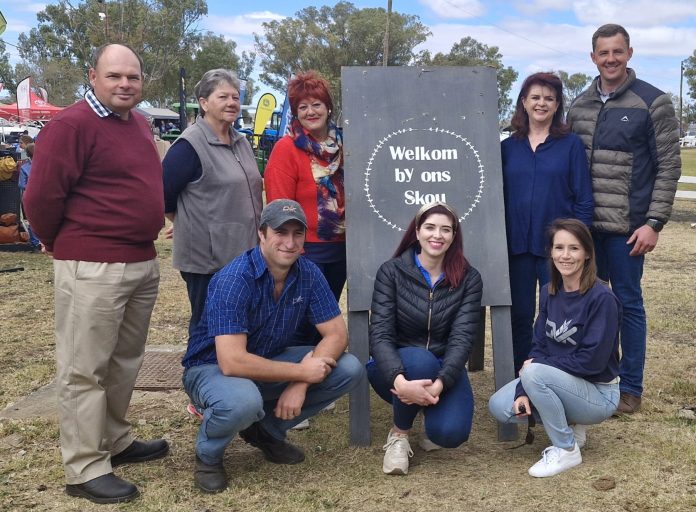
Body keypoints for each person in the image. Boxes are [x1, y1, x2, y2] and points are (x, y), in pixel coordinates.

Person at [23, 43, 168, 504]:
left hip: (140, 262)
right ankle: (84, 466)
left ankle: (115, 440)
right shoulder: (71, 126)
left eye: (133, 76)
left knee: (124, 362)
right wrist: (57, 240)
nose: (125, 84)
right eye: (114, 76)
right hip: (93, 265)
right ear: (93, 76)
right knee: (85, 369)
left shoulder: (139, 124)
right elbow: (41, 198)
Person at [181, 199, 364, 493]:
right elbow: (231, 362)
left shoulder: (309, 273)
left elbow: (337, 335)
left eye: (297, 234)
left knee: (349, 368)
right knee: (243, 401)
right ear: (262, 234)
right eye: (281, 232)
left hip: (268, 359)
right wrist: (301, 372)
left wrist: (299, 383)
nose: (290, 243)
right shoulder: (234, 279)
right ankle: (208, 456)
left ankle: (264, 431)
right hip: (212, 368)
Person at [567, 24, 681, 414]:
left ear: (629, 53)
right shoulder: (579, 105)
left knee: (628, 304)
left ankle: (631, 387)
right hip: (586, 229)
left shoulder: (654, 101)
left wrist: (654, 222)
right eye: (604, 53)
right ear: (593, 57)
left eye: (618, 51)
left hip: (629, 230)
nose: (611, 59)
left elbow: (668, 166)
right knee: (589, 306)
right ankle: (596, 377)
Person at [489, 218, 621, 478]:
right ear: (550, 252)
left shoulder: (602, 298)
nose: (565, 255)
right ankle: (572, 424)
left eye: (574, 248)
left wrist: (535, 371)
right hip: (561, 381)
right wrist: (522, 389)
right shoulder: (550, 291)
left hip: (599, 394)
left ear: (587, 254)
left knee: (534, 372)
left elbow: (592, 362)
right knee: (500, 406)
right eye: (559, 247)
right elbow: (538, 345)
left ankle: (566, 448)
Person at [368, 202, 483, 475]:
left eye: (446, 230)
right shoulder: (391, 272)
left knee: (450, 434)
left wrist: (440, 384)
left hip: (443, 367)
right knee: (419, 360)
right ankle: (399, 435)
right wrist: (400, 382)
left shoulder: (469, 278)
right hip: (394, 368)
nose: (437, 235)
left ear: (454, 236)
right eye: (430, 227)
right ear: (417, 231)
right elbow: (381, 335)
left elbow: (462, 339)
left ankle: (429, 412)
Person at [502, 72, 593, 374]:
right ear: (524, 103)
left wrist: (576, 246)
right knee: (520, 315)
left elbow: (583, 198)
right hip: (516, 248)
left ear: (557, 106)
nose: (542, 103)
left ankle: (554, 376)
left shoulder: (570, 146)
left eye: (549, 98)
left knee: (557, 316)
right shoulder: (507, 148)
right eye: (536, 97)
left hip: (557, 250)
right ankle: (520, 377)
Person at [163, 68, 262, 342]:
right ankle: (201, 376)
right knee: (209, 328)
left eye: (235, 97)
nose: (231, 102)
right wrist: (184, 222)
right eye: (223, 96)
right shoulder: (188, 146)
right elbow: (162, 194)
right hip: (208, 261)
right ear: (204, 102)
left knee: (241, 324)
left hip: (245, 253)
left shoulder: (240, 142)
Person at [264, 70, 345, 312]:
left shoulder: (346, 145)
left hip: (343, 248)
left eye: (316, 104)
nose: (311, 112)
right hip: (306, 250)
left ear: (328, 107)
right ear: (296, 113)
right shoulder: (286, 149)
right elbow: (279, 206)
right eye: (303, 107)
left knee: (328, 313)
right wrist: (291, 248)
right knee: (303, 319)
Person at [17, 142, 40, 249]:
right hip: (47, 194)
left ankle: (35, 243)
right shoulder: (47, 164)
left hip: (31, 195)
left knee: (33, 220)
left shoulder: (24, 167)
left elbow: (21, 184)